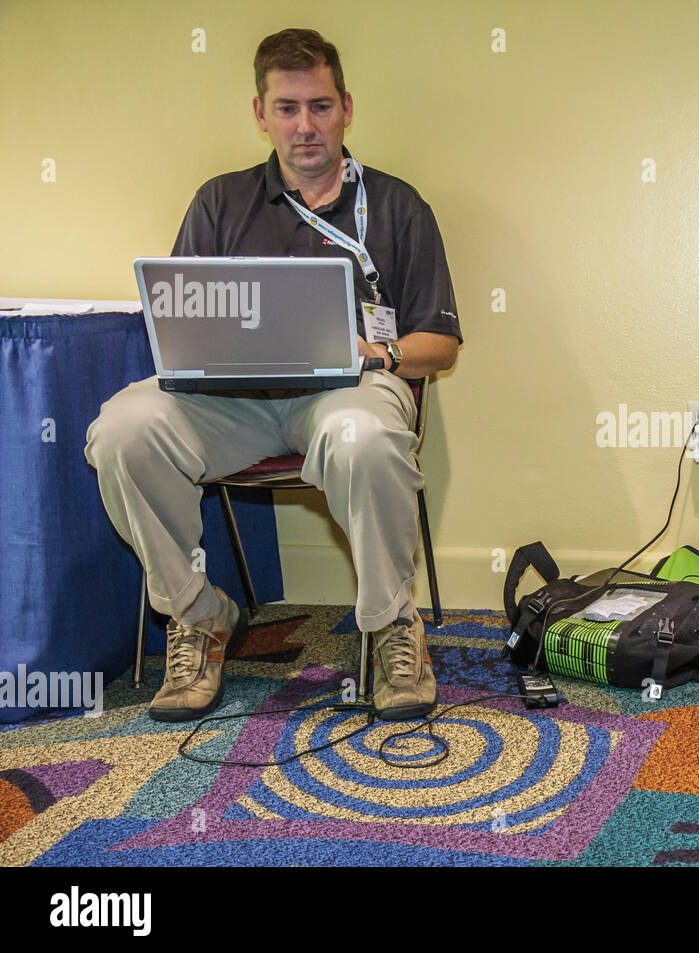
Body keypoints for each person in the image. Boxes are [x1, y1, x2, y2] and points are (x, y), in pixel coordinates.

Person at [85, 29, 461, 723]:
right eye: (287, 108)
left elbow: (440, 345)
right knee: (121, 430)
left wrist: (375, 355)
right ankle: (200, 617)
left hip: (344, 394)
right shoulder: (219, 202)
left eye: (320, 106)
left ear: (347, 107)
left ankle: (390, 624)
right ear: (261, 114)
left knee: (366, 439)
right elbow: (175, 321)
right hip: (225, 403)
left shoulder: (399, 205)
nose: (306, 125)